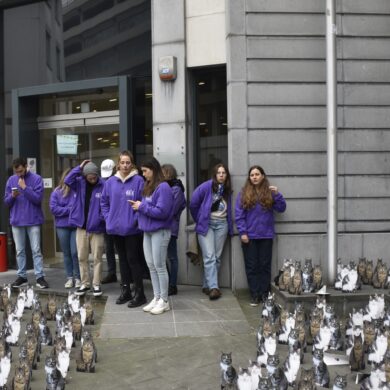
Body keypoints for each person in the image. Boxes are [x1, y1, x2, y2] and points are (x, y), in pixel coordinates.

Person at [235, 165, 286, 306]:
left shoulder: (270, 192)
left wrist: (278, 195)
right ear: (249, 178)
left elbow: (281, 209)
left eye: (257, 174)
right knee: (252, 267)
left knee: (264, 266)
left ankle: (264, 294)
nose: (255, 177)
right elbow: (239, 215)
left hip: (266, 236)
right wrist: (243, 232)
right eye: (252, 175)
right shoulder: (244, 193)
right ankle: (255, 295)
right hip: (249, 236)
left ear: (263, 176)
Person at [101, 151, 147, 308]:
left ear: (132, 164)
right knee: (122, 261)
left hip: (132, 229)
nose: (125, 165)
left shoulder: (139, 180)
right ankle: (125, 291)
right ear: (118, 164)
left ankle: (140, 294)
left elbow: (143, 202)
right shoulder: (110, 182)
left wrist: (134, 220)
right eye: (123, 162)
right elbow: (104, 203)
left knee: (133, 260)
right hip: (115, 229)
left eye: (128, 162)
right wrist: (108, 219)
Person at [131, 157, 173, 315]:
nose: (143, 174)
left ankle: (164, 300)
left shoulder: (163, 187)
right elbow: (149, 208)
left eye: (145, 171)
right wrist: (140, 207)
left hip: (160, 231)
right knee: (151, 266)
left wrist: (141, 206)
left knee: (160, 266)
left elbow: (162, 212)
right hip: (147, 231)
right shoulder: (148, 186)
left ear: (153, 170)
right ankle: (157, 297)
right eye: (142, 171)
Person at [3, 157, 49, 289]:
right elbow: (6, 202)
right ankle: (22, 276)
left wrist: (25, 188)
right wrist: (13, 196)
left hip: (33, 220)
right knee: (19, 251)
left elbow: (38, 199)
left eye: (21, 171)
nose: (19, 174)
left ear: (25, 167)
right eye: (16, 172)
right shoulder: (11, 180)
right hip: (17, 221)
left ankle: (40, 277)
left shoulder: (36, 179)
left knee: (36, 250)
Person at [189, 163, 233, 300]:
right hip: (207, 224)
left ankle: (206, 286)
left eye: (223, 173)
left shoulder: (227, 189)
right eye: (218, 172)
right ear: (214, 175)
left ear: (226, 175)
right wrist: (200, 219)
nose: (221, 175)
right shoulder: (206, 186)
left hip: (222, 225)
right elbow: (193, 203)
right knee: (209, 256)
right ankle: (214, 287)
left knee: (217, 258)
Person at [65, 160, 105, 297]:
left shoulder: (103, 185)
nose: (92, 178)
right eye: (90, 176)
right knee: (81, 256)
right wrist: (80, 167)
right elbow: (67, 180)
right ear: (85, 175)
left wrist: (100, 218)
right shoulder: (79, 183)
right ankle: (84, 283)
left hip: (97, 228)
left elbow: (107, 204)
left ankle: (96, 284)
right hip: (81, 227)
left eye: (94, 175)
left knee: (97, 257)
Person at [49, 168, 81, 289]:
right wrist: (69, 209)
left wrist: (66, 209)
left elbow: (79, 207)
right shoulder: (57, 192)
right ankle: (69, 278)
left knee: (75, 253)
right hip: (62, 227)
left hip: (75, 226)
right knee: (66, 253)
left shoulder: (77, 190)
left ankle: (78, 277)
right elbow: (53, 209)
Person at [161, 164, 186, 296]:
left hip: (170, 228)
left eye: (162, 173)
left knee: (172, 257)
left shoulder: (176, 189)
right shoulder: (164, 187)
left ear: (168, 173)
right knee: (162, 257)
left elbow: (172, 210)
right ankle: (167, 282)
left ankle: (172, 285)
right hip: (162, 227)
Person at [100, 159, 118, 284]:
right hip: (107, 220)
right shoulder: (102, 183)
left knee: (122, 249)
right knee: (109, 248)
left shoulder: (119, 181)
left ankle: (129, 276)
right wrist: (106, 217)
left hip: (119, 220)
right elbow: (103, 202)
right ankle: (112, 273)